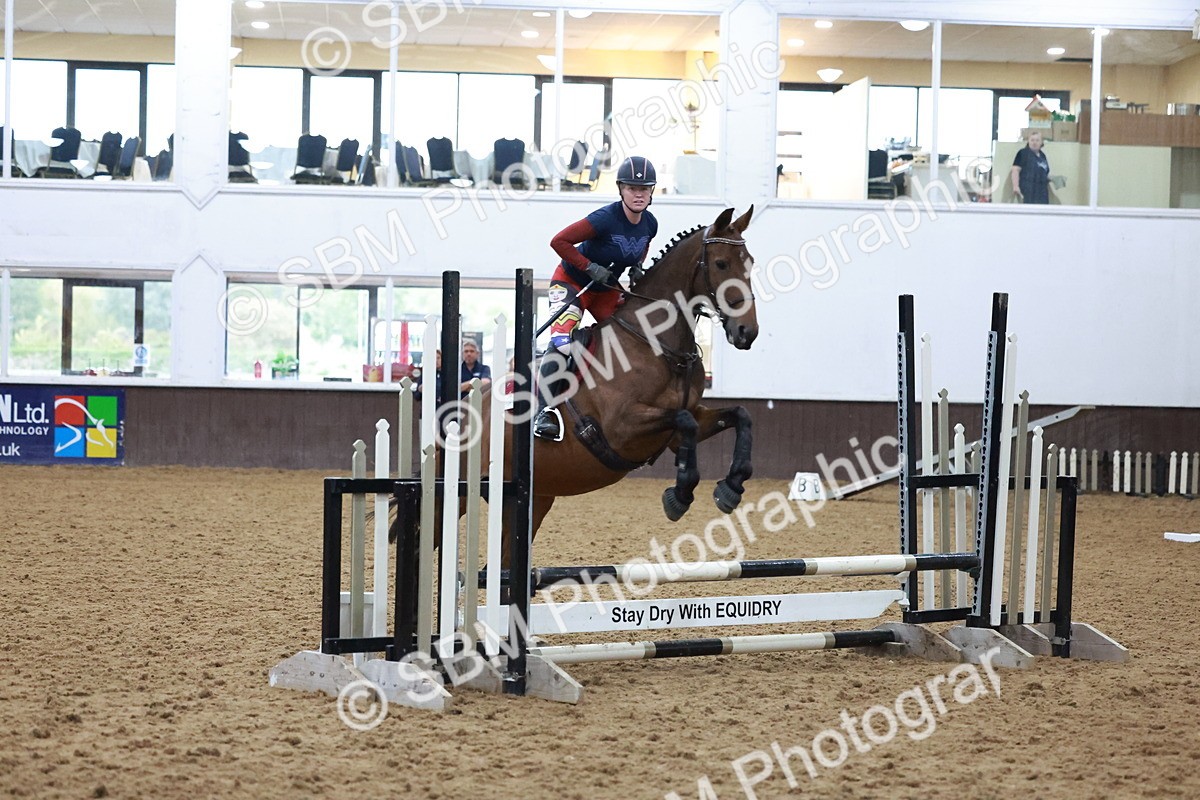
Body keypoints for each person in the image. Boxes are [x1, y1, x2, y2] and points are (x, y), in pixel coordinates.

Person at [534, 155, 659, 440]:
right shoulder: (605, 218)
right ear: (621, 189)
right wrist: (589, 266)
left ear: (652, 191)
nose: (638, 194)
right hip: (572, 284)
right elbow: (558, 241)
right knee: (562, 343)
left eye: (644, 188)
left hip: (605, 289)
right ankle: (544, 412)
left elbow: (642, 247)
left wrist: (638, 266)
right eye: (631, 188)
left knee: (629, 338)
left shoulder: (650, 223)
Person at [1011, 131, 1052, 204]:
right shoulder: (1023, 153)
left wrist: (1053, 179)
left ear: (1041, 143)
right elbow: (1015, 170)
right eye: (1032, 140)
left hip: (1042, 192)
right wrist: (1015, 186)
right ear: (1028, 142)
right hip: (1029, 191)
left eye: (1037, 140)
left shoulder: (1043, 156)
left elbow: (1044, 173)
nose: (1034, 142)